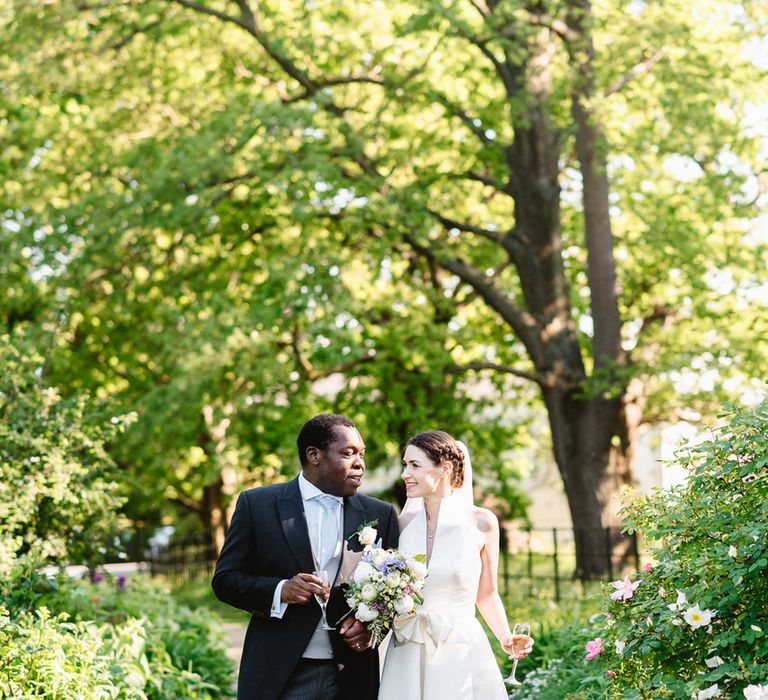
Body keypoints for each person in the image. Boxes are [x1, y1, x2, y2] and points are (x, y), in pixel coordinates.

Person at [212, 413, 400, 700]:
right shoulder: (258, 504)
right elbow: (225, 580)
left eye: (361, 454)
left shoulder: (380, 514)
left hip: (352, 672)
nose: (360, 463)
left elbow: (393, 592)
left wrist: (372, 629)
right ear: (314, 455)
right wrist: (280, 590)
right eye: (348, 453)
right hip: (282, 669)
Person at [378, 430, 534, 700]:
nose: (405, 473)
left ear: (444, 469)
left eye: (414, 465)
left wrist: (505, 637)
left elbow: (486, 593)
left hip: (458, 646)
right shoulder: (401, 525)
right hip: (407, 646)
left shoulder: (482, 523)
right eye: (405, 465)